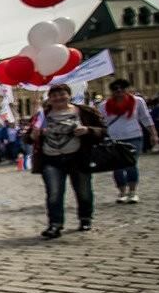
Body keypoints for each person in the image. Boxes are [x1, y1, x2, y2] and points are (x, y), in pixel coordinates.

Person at [28, 83, 105, 238]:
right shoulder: (43, 115)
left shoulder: (83, 112)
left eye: (62, 94)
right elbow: (29, 137)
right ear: (49, 99)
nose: (58, 98)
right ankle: (55, 225)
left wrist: (87, 130)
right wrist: (33, 135)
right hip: (51, 159)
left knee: (83, 191)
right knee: (54, 193)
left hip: (77, 157)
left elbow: (103, 131)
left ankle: (85, 218)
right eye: (54, 95)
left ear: (69, 95)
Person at [104, 79, 159, 203]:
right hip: (114, 138)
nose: (119, 91)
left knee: (131, 164)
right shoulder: (104, 105)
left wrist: (153, 134)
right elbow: (102, 122)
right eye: (116, 89)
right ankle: (122, 192)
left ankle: (132, 192)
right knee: (117, 167)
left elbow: (146, 118)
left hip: (134, 136)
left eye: (122, 88)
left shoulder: (137, 101)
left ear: (126, 89)